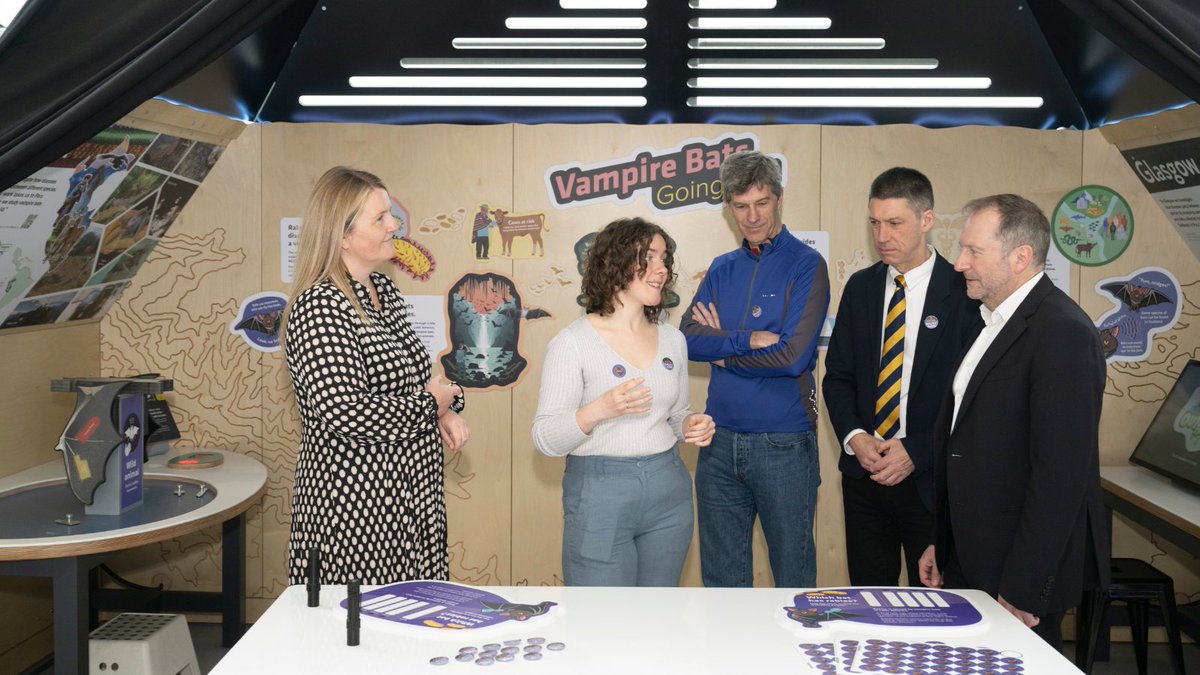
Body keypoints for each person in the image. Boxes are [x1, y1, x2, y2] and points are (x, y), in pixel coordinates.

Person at [918, 194, 1110, 649]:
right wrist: (941, 543)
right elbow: (963, 445)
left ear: (1021, 257)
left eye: (974, 252)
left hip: (1015, 577)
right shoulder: (992, 320)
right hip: (970, 558)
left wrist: (1023, 587)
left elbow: (1060, 476)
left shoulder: (1061, 331)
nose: (959, 262)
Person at [284, 166, 468, 585]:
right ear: (342, 234)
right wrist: (429, 406)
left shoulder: (383, 291)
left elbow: (416, 377)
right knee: (361, 633)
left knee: (413, 619)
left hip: (412, 503)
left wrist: (443, 411)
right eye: (380, 218)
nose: (394, 226)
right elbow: (344, 411)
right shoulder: (320, 306)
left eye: (391, 215)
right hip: (357, 512)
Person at [532, 217, 716, 586]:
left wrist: (690, 425)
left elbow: (674, 415)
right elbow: (546, 438)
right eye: (649, 257)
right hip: (600, 493)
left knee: (659, 620)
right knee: (602, 624)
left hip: (669, 491)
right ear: (614, 262)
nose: (662, 269)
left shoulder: (673, 340)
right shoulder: (573, 343)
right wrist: (600, 410)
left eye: (665, 259)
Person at [680, 150, 830, 588]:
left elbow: (792, 357)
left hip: (784, 445)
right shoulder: (722, 269)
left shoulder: (807, 265)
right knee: (723, 584)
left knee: (794, 580)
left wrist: (721, 348)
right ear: (728, 207)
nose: (752, 216)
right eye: (740, 206)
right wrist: (744, 340)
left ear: (779, 199)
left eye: (761, 203)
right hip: (718, 444)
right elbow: (688, 338)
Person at [822, 168, 978, 586]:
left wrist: (918, 451)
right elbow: (836, 376)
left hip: (932, 481)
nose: (882, 236)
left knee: (938, 605)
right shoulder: (861, 288)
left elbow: (972, 402)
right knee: (871, 600)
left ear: (927, 220)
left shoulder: (964, 293)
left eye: (894, 223)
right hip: (866, 476)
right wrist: (855, 437)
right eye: (874, 222)